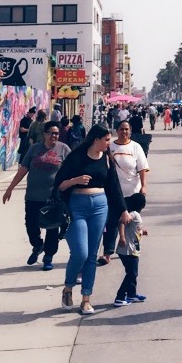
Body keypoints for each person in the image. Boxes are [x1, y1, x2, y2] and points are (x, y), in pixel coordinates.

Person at [55, 125, 130, 315]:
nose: (109, 143)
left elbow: (114, 188)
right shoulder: (76, 157)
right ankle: (68, 288)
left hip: (99, 206)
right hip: (77, 206)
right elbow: (60, 185)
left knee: (91, 256)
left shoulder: (107, 159)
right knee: (80, 252)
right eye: (106, 140)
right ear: (95, 139)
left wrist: (123, 211)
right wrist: (75, 180)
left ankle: (86, 298)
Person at [2, 123, 70, 269]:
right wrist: (10, 188)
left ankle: (48, 257)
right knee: (31, 225)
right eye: (51, 133)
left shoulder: (63, 149)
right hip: (33, 196)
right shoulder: (34, 149)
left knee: (52, 227)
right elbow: (23, 169)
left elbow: (72, 168)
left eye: (56, 133)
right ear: (45, 134)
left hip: (53, 198)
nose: (54, 136)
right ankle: (38, 245)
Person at [98, 121, 149, 266]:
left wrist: (144, 186)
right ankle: (107, 252)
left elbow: (142, 168)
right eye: (121, 129)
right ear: (117, 130)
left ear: (130, 130)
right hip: (113, 193)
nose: (124, 132)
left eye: (127, 129)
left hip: (132, 192)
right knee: (111, 223)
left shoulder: (135, 147)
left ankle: (131, 247)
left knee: (130, 223)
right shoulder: (110, 147)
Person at [113, 192, 148, 307]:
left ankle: (131, 294)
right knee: (131, 273)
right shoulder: (133, 214)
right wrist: (122, 237)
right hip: (127, 249)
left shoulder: (135, 214)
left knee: (133, 273)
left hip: (133, 249)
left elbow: (134, 229)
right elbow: (121, 223)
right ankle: (120, 297)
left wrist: (142, 231)